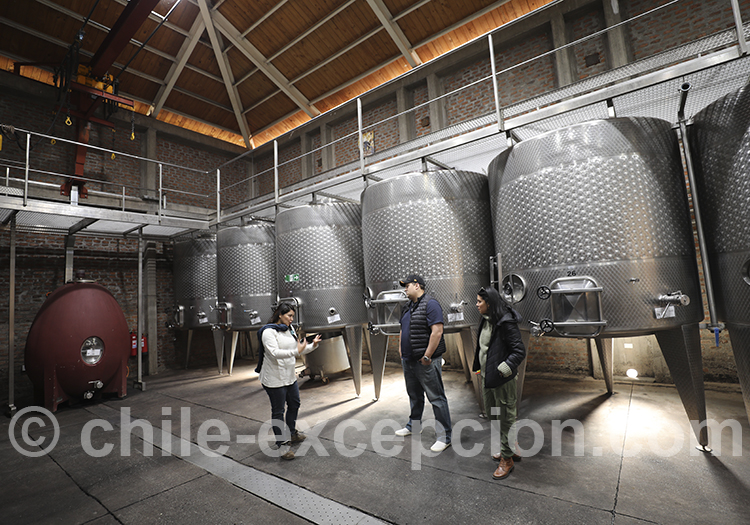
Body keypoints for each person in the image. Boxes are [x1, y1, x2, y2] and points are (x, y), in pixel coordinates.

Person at [472, 286, 526, 480]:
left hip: (503, 379)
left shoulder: (506, 322)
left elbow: (519, 351)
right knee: (493, 415)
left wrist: (504, 368)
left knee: (506, 418)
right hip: (488, 377)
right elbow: (483, 348)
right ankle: (511, 447)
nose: (476, 305)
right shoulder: (486, 319)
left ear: (489, 303)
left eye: (479, 301)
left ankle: (507, 459)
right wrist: (479, 367)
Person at [256, 303, 321, 460]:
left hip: (289, 377)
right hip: (274, 379)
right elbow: (274, 353)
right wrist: (296, 350)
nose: (292, 319)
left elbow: (297, 350)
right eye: (289, 316)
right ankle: (282, 445)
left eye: (293, 316)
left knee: (294, 404)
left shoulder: (289, 329)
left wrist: (312, 346)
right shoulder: (268, 332)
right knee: (278, 411)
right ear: (280, 314)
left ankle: (291, 433)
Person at [396, 274, 452, 453]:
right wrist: (401, 349)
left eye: (407, 285)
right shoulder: (407, 306)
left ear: (417, 285)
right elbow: (402, 329)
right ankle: (414, 425)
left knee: (436, 398)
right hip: (409, 360)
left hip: (426, 361)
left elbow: (437, 331)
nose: (405, 289)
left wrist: (427, 356)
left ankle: (444, 437)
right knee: (414, 395)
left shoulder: (431, 304)